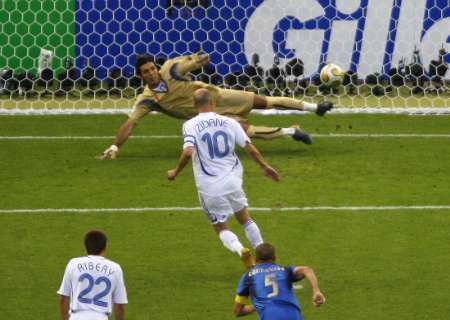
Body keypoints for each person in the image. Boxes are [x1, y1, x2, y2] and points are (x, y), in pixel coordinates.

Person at [100, 53, 334, 159]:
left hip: (219, 97)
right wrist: (115, 146)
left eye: (152, 68)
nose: (151, 73)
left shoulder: (171, 69)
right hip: (207, 115)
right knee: (247, 133)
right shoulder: (147, 99)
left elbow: (194, 60)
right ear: (140, 77)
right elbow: (131, 122)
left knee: (265, 101)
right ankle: (292, 131)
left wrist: (199, 60)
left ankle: (316, 108)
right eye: (145, 72)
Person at [167, 88, 279, 268]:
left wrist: (175, 171)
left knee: (221, 226)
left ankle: (240, 250)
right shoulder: (229, 122)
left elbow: (188, 152)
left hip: (209, 186)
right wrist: (265, 166)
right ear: (213, 103)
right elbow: (249, 147)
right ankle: (263, 257)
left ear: (194, 105)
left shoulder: (190, 125)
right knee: (245, 219)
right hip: (233, 181)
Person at [234, 243, 325, 319]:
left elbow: (238, 311)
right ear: (275, 257)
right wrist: (316, 291)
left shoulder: (247, 277)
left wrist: (256, 306)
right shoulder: (285, 271)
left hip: (270, 316)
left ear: (256, 259)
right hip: (293, 315)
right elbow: (307, 270)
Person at [57, 230, 128, 320]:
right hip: (101, 317)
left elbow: (64, 297)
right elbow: (120, 305)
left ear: (86, 246)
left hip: (76, 316)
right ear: (105, 246)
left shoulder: (73, 264)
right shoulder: (115, 268)